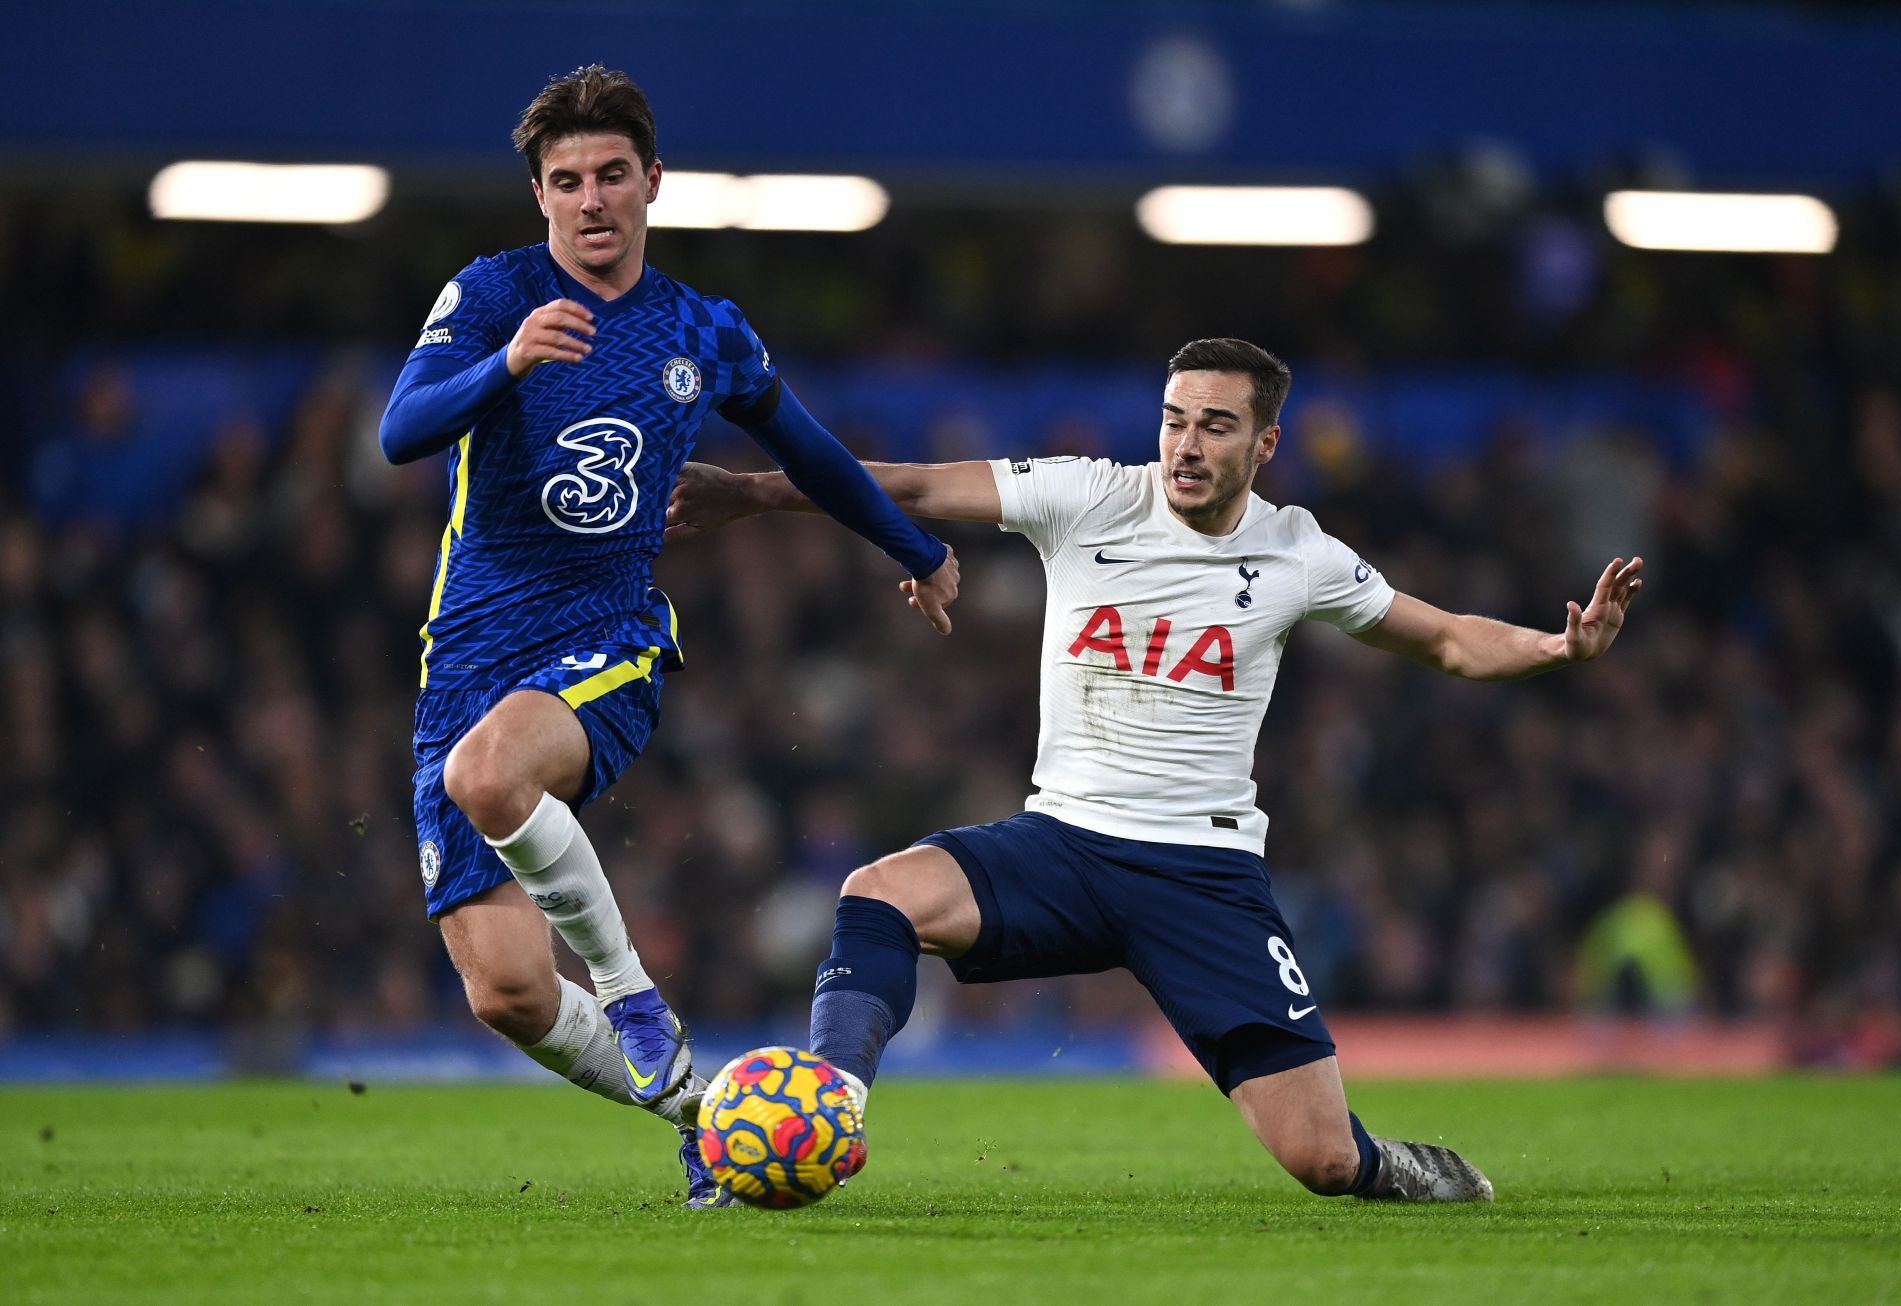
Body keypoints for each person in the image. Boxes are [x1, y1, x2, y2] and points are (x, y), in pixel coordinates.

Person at [667, 337, 1644, 1202]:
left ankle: (1400, 1164)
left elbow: (1449, 642)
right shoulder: (1089, 495)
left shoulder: (1297, 551)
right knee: (878, 893)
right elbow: (915, 486)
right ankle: (830, 1106)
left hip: (1201, 877)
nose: (1185, 444)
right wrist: (753, 493)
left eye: (1216, 426)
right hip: (1061, 843)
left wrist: (1562, 651)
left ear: (1264, 446)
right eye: (1175, 419)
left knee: (1324, 1162)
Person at [377, 65, 961, 1208]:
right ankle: (710, 1113)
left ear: (652, 181)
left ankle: (632, 987)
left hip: (612, 636)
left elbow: (812, 452)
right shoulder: (494, 297)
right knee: (503, 992)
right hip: (469, 661)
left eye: (610, 176)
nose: (590, 201)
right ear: (539, 196)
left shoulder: (701, 329)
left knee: (491, 773)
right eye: (565, 182)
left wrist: (913, 546)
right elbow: (402, 431)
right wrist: (503, 367)